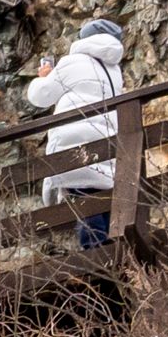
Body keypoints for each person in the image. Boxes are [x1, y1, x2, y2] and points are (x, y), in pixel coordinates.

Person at [28, 21, 127, 249]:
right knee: (100, 194)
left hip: (76, 143)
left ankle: (95, 253)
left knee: (82, 196)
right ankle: (111, 249)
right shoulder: (113, 71)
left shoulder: (74, 62)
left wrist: (44, 77)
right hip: (105, 142)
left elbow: (40, 96)